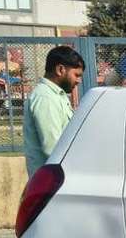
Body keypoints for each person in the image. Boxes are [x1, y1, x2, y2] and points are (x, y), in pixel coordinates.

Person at [23, 46, 84, 177]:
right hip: (51, 183)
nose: (78, 80)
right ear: (60, 70)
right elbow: (53, 148)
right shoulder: (45, 98)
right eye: (76, 75)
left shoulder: (56, 96)